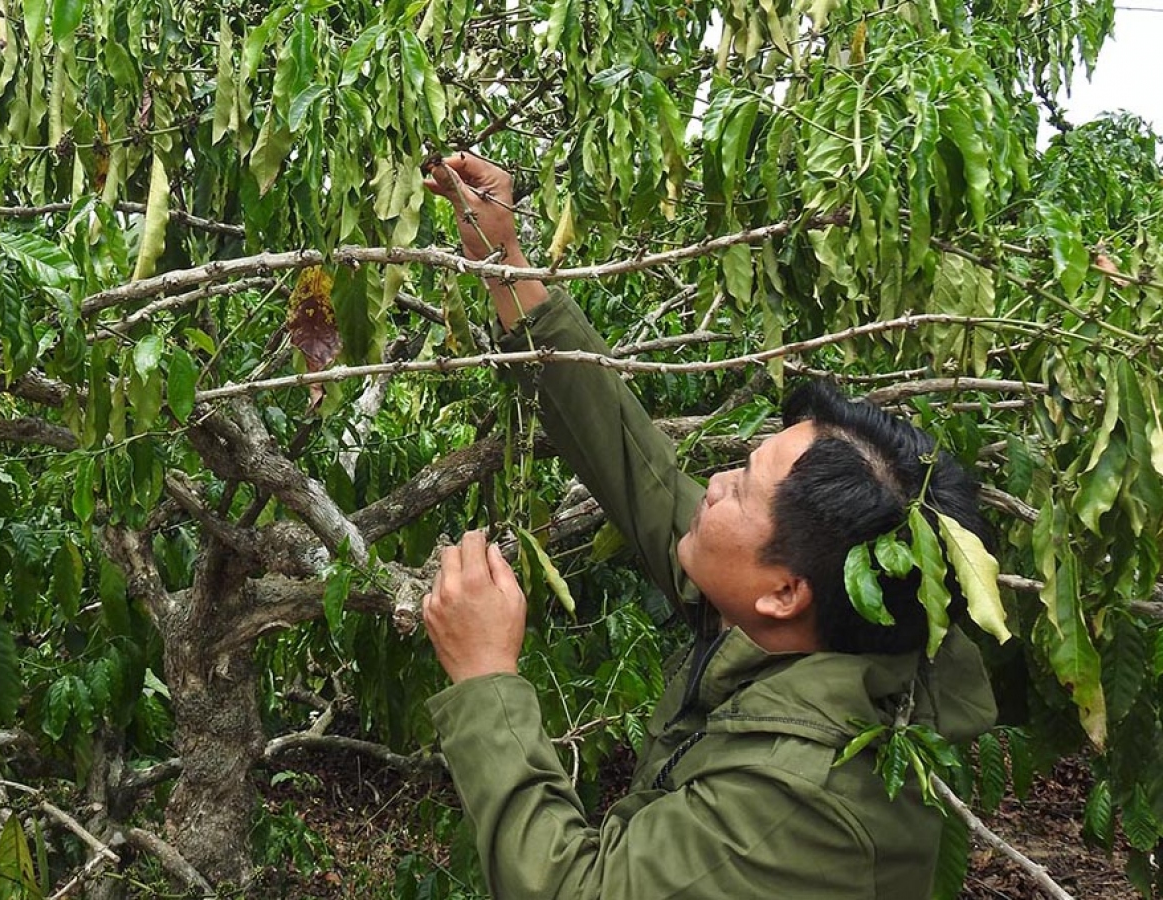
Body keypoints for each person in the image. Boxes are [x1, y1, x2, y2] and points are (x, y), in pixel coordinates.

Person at [420, 152, 997, 899]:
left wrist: (486, 676)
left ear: (785, 592)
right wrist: (502, 256)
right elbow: (636, 466)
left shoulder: (801, 801)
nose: (715, 483)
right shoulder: (821, 619)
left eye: (744, 488)